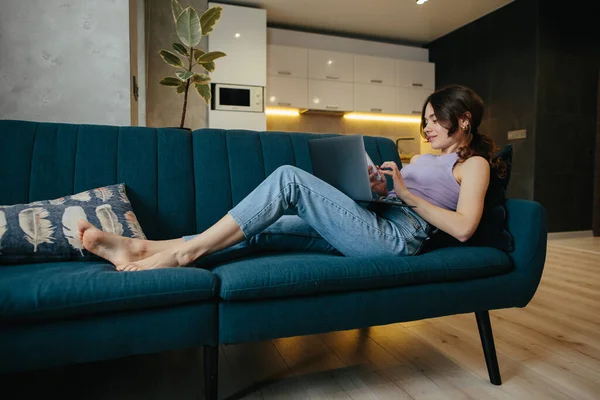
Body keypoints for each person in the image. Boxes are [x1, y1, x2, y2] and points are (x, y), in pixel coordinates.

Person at [78, 84, 501, 271]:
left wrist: (405, 195)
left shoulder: (473, 164)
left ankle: (181, 255)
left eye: (434, 120)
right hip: (376, 220)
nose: (426, 127)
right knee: (265, 226)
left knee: (289, 180)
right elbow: (403, 196)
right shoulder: (432, 156)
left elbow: (464, 228)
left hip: (397, 240)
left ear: (462, 120)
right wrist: (378, 189)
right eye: (424, 119)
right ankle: (138, 247)